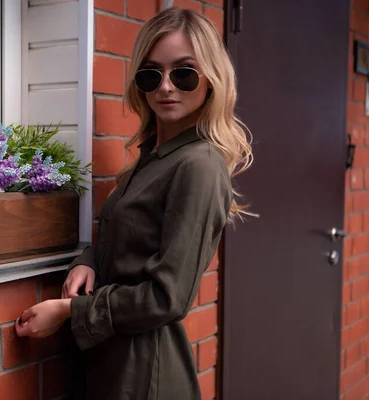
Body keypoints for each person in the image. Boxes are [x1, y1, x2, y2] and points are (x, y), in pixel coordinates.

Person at [15, 7, 253, 400]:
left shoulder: (199, 164)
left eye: (183, 72)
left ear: (210, 80)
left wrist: (67, 313)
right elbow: (127, 245)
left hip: (145, 375)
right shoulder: (153, 157)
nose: (165, 87)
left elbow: (167, 297)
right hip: (112, 363)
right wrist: (89, 260)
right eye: (150, 74)